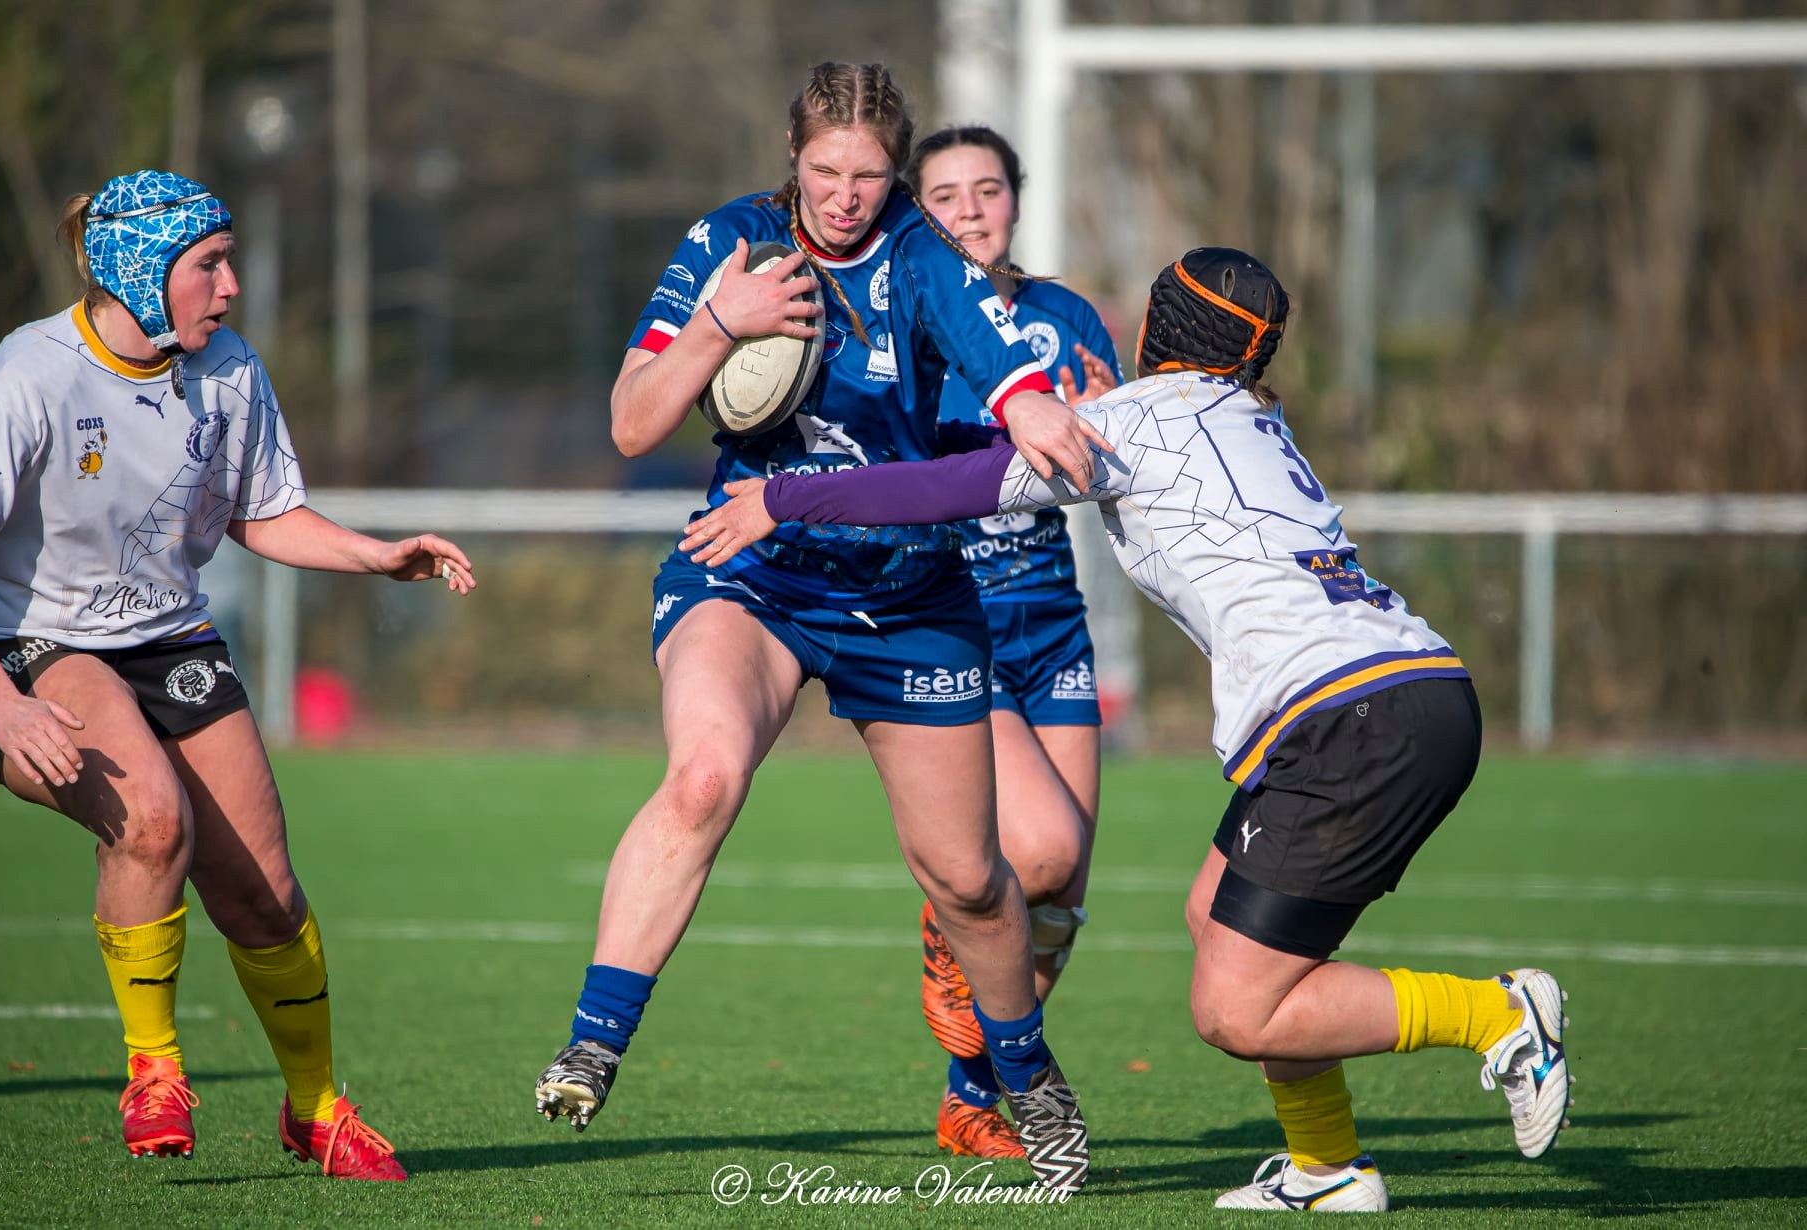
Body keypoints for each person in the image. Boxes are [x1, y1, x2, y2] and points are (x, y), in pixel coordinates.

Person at [680, 245, 1574, 1212]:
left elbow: (950, 490)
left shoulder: (1128, 423)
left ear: (1155, 327)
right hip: (1406, 688)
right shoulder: (1247, 417)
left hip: (1354, 716)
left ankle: (1499, 1015)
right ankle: (1329, 1169)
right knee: (1215, 918)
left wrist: (784, 495)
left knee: (1236, 1008)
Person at [529, 62, 1100, 1193]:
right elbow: (635, 426)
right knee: (701, 778)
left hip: (907, 594)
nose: (846, 196)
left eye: (871, 176)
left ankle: (1025, 1076)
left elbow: (1002, 364)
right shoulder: (730, 242)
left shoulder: (922, 257)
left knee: (972, 881)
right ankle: (594, 1040)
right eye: (826, 172)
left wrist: (1030, 400)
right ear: (792, 158)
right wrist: (717, 326)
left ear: (897, 174)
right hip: (755, 565)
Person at [0, 170, 480, 1181]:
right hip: (28, 647)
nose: (232, 287)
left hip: (171, 642)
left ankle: (318, 1111)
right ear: (140, 273)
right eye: (209, 265)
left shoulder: (228, 369)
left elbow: (261, 510)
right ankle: (153, 1069)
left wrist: (376, 554)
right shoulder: (28, 375)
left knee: (265, 899)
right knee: (153, 818)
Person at [900, 125, 1119, 1160]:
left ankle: (968, 1097)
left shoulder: (1066, 317)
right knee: (1036, 853)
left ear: (1014, 203)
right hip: (949, 615)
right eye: (944, 196)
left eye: (987, 191)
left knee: (1064, 900)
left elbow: (1103, 456)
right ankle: (951, 923)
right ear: (916, 212)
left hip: (1051, 616)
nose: (969, 210)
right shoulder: (899, 318)